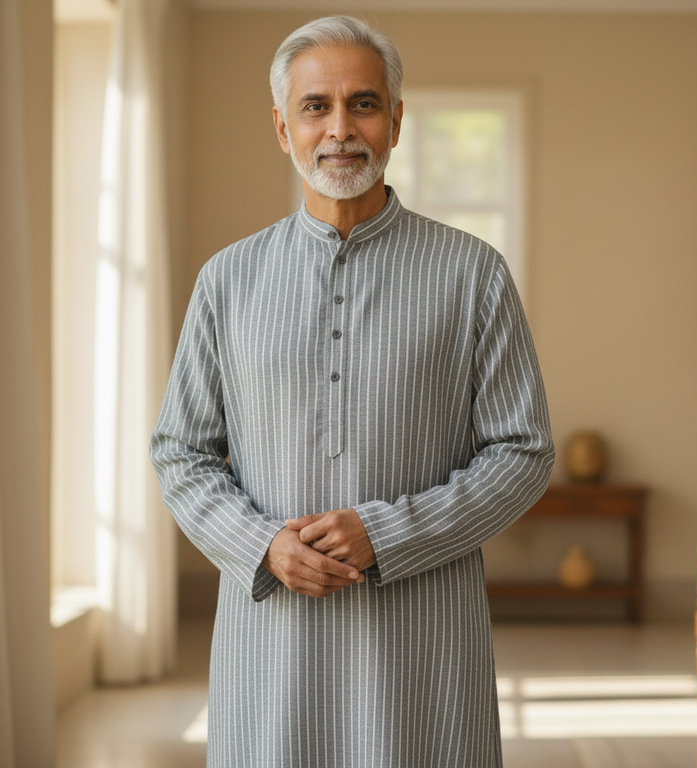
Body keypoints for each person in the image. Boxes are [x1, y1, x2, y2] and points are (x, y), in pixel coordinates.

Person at [150, 15, 554, 768]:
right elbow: (180, 451)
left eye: (364, 104)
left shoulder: (473, 274)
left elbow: (523, 452)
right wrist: (261, 545)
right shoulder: (226, 282)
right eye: (316, 107)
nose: (341, 129)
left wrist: (389, 535)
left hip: (422, 652)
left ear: (396, 121)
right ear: (282, 128)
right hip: (269, 652)